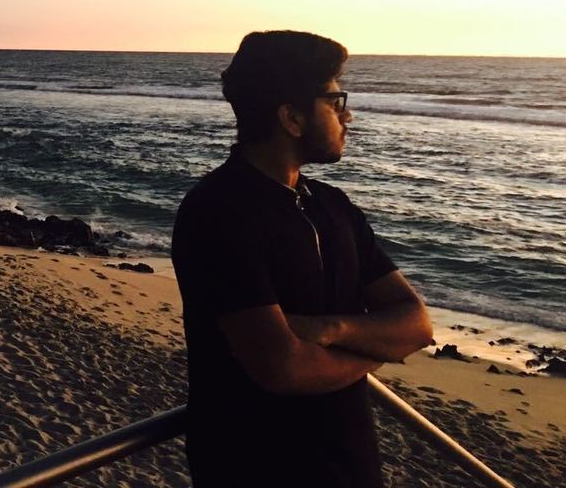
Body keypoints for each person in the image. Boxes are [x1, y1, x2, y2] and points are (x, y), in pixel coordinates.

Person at [171, 30, 433, 487]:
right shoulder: (219, 212)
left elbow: (417, 325)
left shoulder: (333, 206)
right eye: (334, 102)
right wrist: (378, 348)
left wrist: (333, 331)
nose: (347, 115)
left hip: (351, 468)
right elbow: (284, 368)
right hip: (253, 470)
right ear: (291, 117)